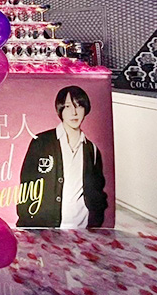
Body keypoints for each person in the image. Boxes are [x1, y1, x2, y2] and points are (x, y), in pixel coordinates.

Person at [17, 85, 108, 228]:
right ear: (60, 110)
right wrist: (27, 222)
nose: (74, 112)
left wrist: (96, 220)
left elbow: (97, 190)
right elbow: (27, 185)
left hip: (82, 228)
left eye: (79, 106)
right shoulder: (41, 142)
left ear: (85, 109)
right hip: (46, 228)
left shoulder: (92, 150)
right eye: (67, 106)